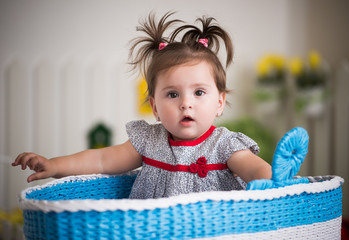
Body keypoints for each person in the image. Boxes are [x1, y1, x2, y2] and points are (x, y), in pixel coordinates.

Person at [12, 12, 271, 199]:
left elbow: (255, 168)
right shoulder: (149, 140)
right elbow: (101, 159)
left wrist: (274, 180)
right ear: (155, 107)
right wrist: (54, 165)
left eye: (199, 92)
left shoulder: (224, 144)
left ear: (219, 102)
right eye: (172, 95)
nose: (185, 104)